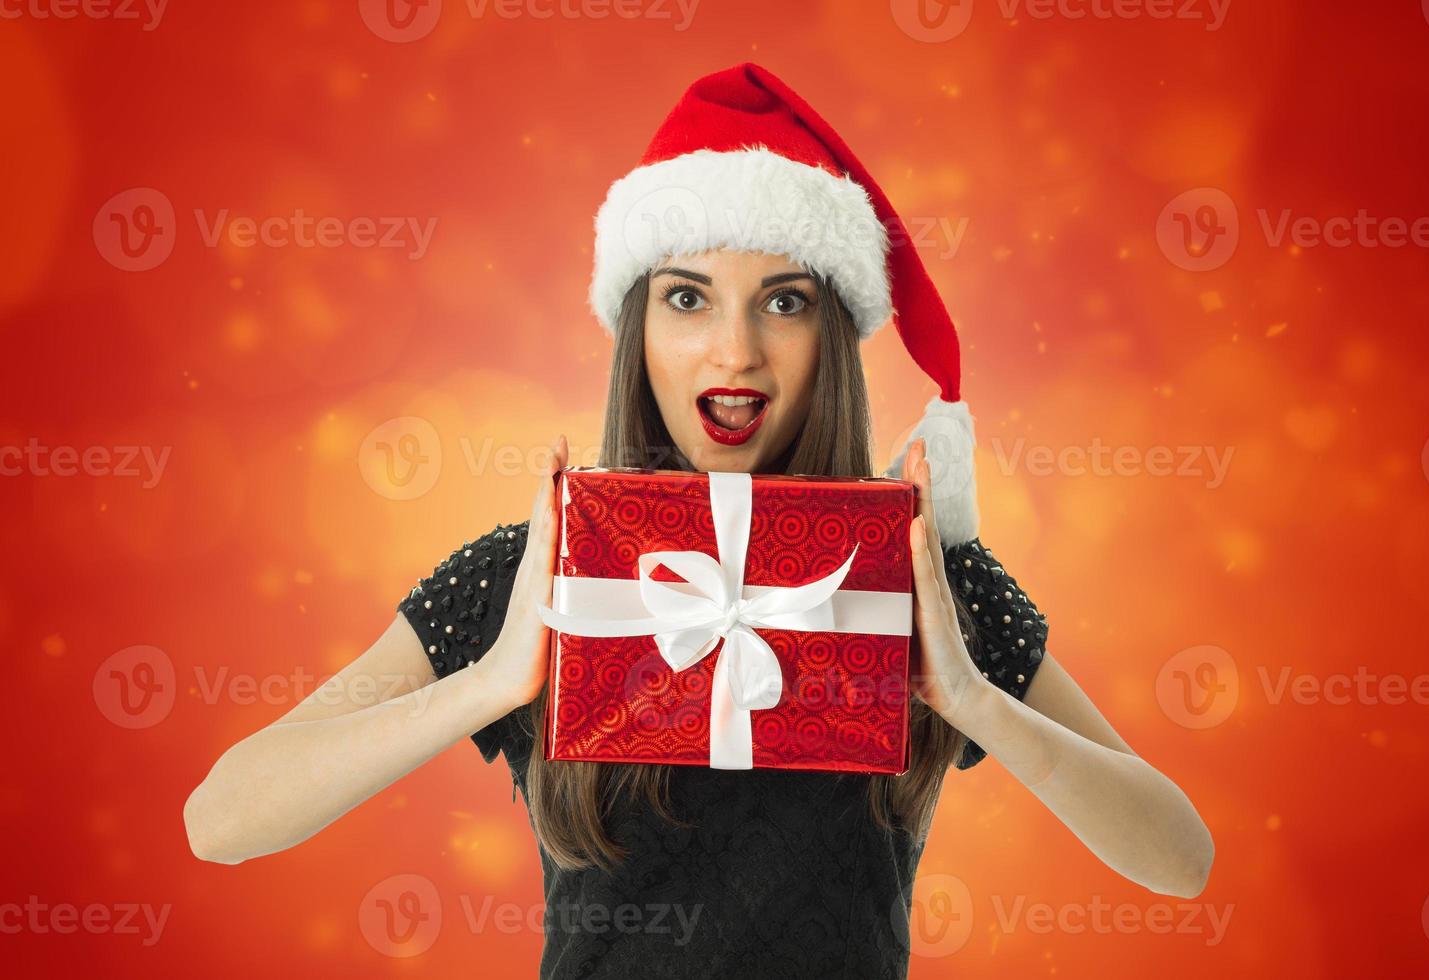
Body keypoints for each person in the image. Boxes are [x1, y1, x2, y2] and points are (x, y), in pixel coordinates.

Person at [183, 63, 1213, 978]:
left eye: (782, 301)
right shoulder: (541, 569)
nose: (734, 353)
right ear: (637, 330)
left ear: (834, 333)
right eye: (687, 299)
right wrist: (498, 676)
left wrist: (971, 696)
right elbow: (223, 817)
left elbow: (1181, 856)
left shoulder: (919, 572)